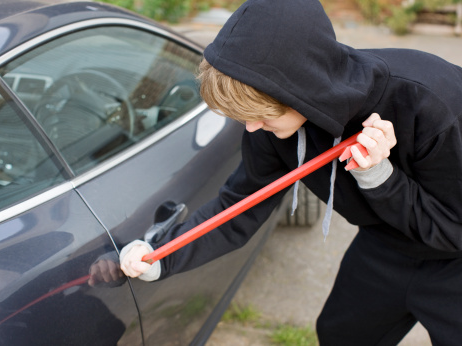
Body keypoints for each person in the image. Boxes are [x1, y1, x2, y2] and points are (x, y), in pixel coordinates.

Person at [120, 0, 462, 344]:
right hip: (384, 243)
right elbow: (239, 205)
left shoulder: (430, 101)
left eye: (262, 116)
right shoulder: (272, 128)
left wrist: (380, 178)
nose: (252, 128)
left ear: (300, 89)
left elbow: (453, 229)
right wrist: (161, 256)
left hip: (455, 258)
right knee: (339, 335)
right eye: (243, 117)